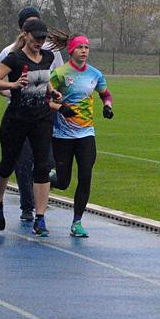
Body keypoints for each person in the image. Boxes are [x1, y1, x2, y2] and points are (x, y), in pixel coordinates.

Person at [0, 20, 62, 236]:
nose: (39, 42)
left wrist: (52, 92)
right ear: (25, 35)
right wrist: (12, 84)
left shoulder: (47, 58)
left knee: (42, 167)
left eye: (42, 38)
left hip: (41, 119)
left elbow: (44, 78)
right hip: (16, 119)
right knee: (7, 164)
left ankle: (40, 218)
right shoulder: (15, 58)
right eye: (36, 37)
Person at [49, 35, 113, 237]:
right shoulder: (59, 74)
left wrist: (108, 107)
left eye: (86, 47)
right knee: (63, 181)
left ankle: (77, 222)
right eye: (80, 47)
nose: (84, 51)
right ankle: (44, 178)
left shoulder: (95, 74)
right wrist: (60, 108)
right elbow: (44, 100)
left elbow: (105, 94)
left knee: (85, 176)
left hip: (86, 134)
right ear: (71, 51)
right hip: (63, 135)